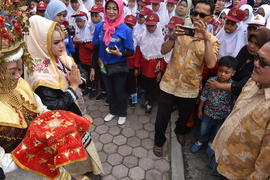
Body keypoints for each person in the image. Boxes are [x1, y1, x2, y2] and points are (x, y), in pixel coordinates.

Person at [24, 15, 103, 177]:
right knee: (76, 163)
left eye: (62, 40)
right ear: (40, 42)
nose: (62, 46)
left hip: (72, 119)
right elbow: (53, 109)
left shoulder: (52, 57)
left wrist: (75, 79)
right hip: (63, 130)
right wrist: (73, 87)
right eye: (56, 42)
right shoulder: (39, 76)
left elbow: (69, 70)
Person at [153, 0, 219, 157]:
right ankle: (158, 141)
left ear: (210, 18)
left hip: (189, 88)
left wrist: (205, 38)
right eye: (194, 13)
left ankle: (180, 131)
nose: (197, 17)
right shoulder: (181, 31)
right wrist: (172, 37)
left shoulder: (213, 41)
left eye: (202, 15)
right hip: (169, 83)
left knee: (183, 117)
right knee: (162, 116)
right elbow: (163, 50)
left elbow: (210, 64)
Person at [211, 40, 270, 179]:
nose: (255, 64)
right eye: (257, 58)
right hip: (220, 156)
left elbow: (264, 167)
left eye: (263, 62)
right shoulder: (253, 81)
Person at [90, 0, 134, 125]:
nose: (111, 11)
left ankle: (122, 112)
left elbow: (131, 51)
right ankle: (113, 111)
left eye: (115, 9)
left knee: (119, 91)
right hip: (104, 66)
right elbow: (96, 48)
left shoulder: (125, 29)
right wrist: (93, 67)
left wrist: (120, 53)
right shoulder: (100, 26)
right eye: (108, 8)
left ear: (120, 10)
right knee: (109, 91)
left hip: (119, 66)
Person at [191, 56, 237, 153]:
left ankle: (211, 143)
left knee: (217, 131)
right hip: (208, 113)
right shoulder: (211, 81)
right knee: (203, 129)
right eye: (220, 71)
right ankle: (200, 141)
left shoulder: (232, 86)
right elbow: (204, 96)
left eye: (226, 72)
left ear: (233, 73)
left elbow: (234, 102)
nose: (222, 74)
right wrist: (200, 109)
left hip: (222, 116)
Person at [208, 28, 270, 97]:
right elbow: (233, 65)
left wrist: (219, 85)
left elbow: (244, 86)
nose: (251, 46)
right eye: (250, 41)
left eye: (257, 44)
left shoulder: (262, 63)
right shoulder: (245, 50)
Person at [134, 12, 167, 113]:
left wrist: (161, 71)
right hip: (144, 66)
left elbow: (163, 56)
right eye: (148, 26)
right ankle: (147, 99)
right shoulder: (143, 36)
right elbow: (139, 52)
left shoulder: (162, 39)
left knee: (153, 86)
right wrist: (137, 66)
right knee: (145, 84)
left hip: (154, 68)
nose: (150, 28)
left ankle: (150, 103)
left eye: (152, 26)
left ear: (156, 26)